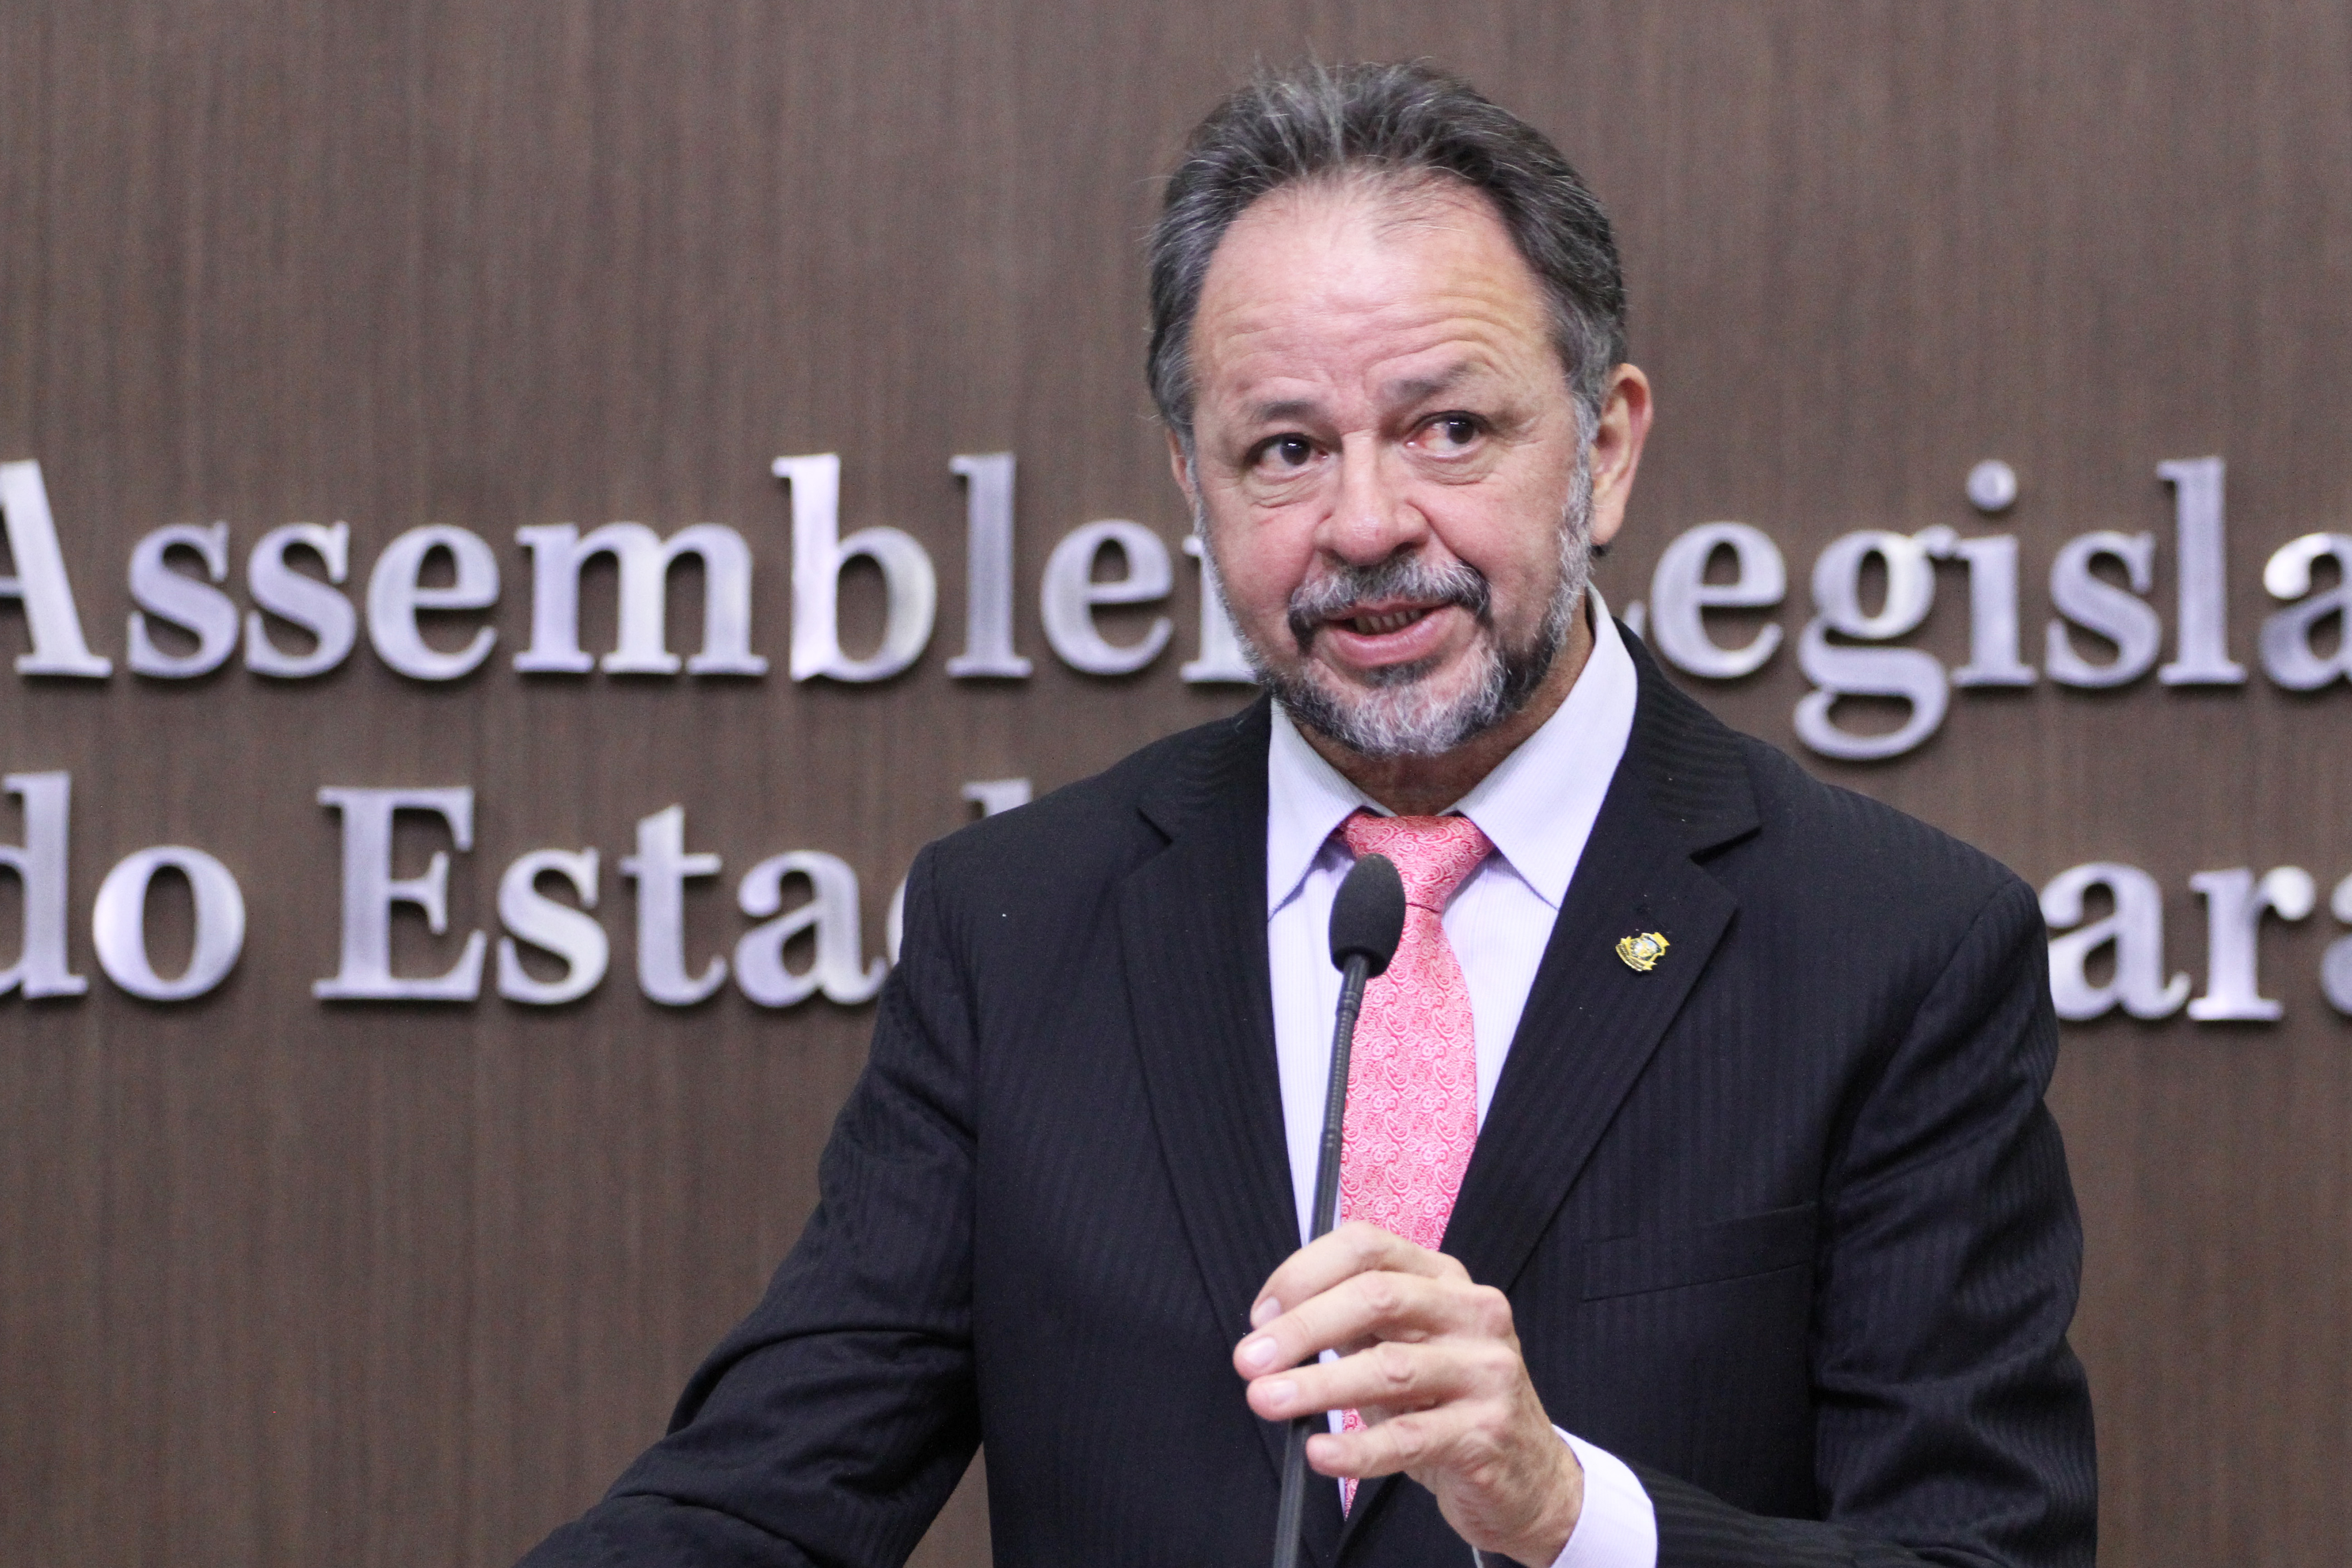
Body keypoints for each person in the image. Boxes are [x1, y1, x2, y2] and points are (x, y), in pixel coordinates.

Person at [521, 61, 2094, 1568]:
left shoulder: (1894, 946)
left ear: (1605, 451)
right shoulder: (1019, 923)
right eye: (1285, 450)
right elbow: (767, 1497)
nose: (1366, 523)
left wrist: (1568, 1516)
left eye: (1448, 429)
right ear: (1190, 486)